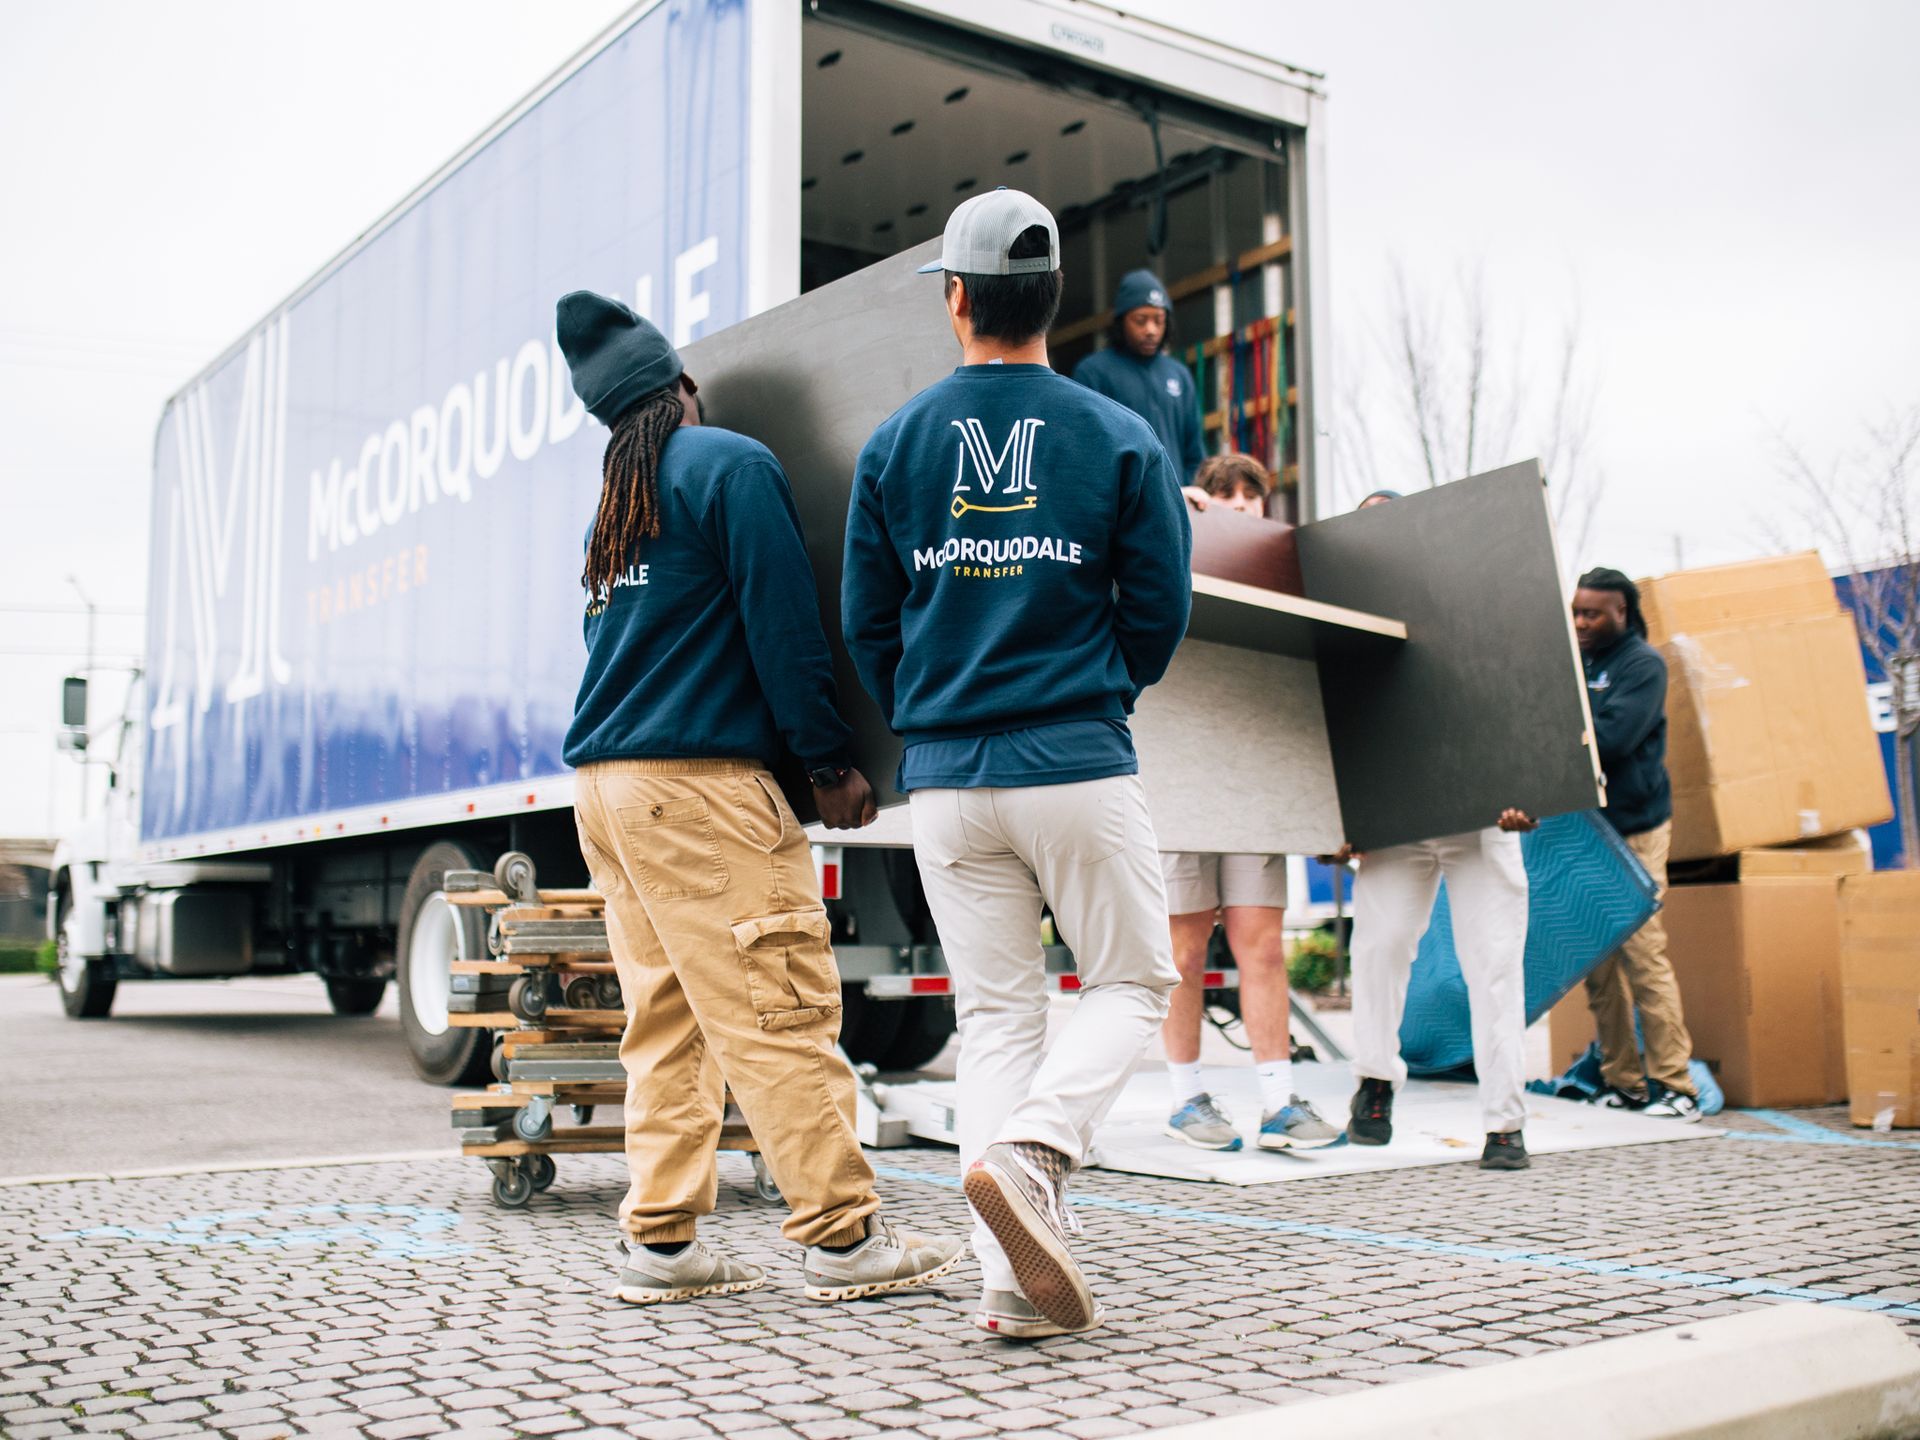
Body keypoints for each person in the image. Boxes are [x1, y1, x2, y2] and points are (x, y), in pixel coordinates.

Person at [554, 291, 964, 1306]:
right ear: (682, 387)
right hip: (700, 789)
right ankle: (844, 1241)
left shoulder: (620, 503)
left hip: (605, 790)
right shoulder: (730, 464)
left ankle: (661, 1245)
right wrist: (829, 763)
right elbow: (785, 626)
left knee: (669, 1021)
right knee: (778, 1008)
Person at [842, 189, 1190, 1339]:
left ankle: (1008, 1286)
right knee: (1133, 983)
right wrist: (1102, 691)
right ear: (1053, 301)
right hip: (1076, 756)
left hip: (946, 778)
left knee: (997, 1019)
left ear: (954, 299)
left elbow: (868, 619)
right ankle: (1038, 1152)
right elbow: (1159, 607)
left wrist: (927, 714)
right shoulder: (1121, 436)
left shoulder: (895, 445)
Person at [1336, 488, 1536, 1172]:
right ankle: (1373, 1084)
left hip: (1480, 816)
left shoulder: (1472, 602)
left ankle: (1505, 1124)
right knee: (1378, 951)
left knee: (1495, 966)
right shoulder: (1343, 616)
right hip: (1395, 820)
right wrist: (1335, 819)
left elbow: (1518, 694)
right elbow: (1329, 725)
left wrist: (1525, 788)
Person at [1158, 453, 1339, 1153]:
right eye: (1222, 493)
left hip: (1254, 785)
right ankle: (1185, 1100)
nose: (1238, 504)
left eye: (1250, 495)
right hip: (1181, 780)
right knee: (1182, 950)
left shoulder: (1284, 563)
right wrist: (1179, 502)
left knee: (1263, 946)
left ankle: (1280, 1103)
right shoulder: (1177, 534)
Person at [1572, 567, 1702, 1121]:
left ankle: (1677, 1087)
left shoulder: (1641, 665)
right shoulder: (1578, 659)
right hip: (1588, 828)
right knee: (1598, 964)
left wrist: (1560, 729)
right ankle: (1622, 1081)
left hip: (1637, 829)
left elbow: (1612, 739)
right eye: (1575, 610)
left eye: (1592, 613)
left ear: (1622, 613)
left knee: (1643, 955)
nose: (1580, 621)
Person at [1071, 268, 1206, 484]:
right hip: (1124, 506)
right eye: (1141, 320)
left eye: (1158, 320)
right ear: (1121, 321)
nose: (1151, 330)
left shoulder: (1179, 375)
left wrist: (1185, 496)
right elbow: (1086, 449)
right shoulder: (1094, 372)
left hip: (1176, 501)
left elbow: (1195, 453)